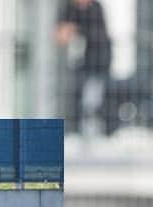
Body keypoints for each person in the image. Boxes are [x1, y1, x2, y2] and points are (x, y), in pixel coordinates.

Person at [55, 0, 113, 136]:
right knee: (75, 95)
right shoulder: (69, 8)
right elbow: (60, 36)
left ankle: (92, 129)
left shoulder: (96, 7)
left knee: (94, 98)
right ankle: (76, 128)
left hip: (98, 61)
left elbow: (99, 34)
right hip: (77, 63)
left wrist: (75, 30)